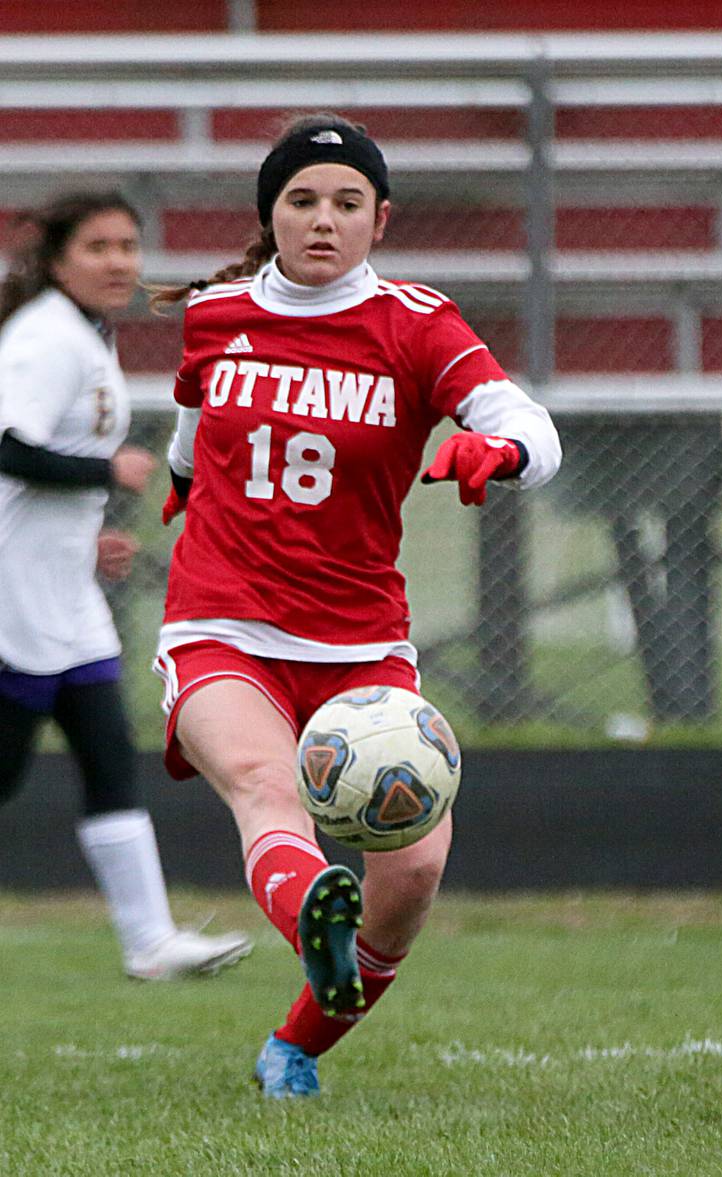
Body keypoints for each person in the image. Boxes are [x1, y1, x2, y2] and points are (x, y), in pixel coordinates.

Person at [149, 114, 561, 1099]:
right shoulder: (217, 314)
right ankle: (311, 921)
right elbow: (192, 420)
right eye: (301, 200)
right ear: (271, 215)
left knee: (414, 873)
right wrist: (179, 484)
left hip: (360, 643)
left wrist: (493, 451)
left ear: (382, 219)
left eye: (346, 202)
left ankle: (295, 1042)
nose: (322, 220)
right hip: (221, 618)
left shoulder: (418, 324)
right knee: (261, 779)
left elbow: (530, 425)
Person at [0, 191, 253, 981]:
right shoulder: (45, 338)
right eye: (99, 247)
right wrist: (104, 470)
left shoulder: (83, 334)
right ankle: (149, 937)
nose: (119, 263)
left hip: (61, 595)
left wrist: (85, 537)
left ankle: (150, 940)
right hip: (13, 598)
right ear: (57, 259)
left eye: (128, 246)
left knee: (110, 753)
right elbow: (8, 444)